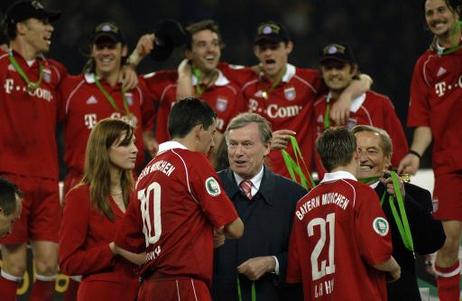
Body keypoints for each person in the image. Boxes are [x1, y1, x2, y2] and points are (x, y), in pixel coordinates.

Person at [114, 97, 244, 301]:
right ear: (199, 130)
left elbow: (125, 243)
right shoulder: (193, 162)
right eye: (212, 134)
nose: (212, 143)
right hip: (183, 285)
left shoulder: (145, 174)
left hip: (148, 289)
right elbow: (235, 228)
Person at [218, 21, 372, 181]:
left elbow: (363, 79)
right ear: (256, 52)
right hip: (255, 180)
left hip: (296, 182)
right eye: (263, 49)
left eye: (274, 47)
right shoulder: (247, 78)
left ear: (288, 47)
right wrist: (187, 70)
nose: (268, 53)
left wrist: (347, 95)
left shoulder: (307, 81)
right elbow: (211, 68)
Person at [287, 127, 401, 301]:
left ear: (322, 158)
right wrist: (394, 269)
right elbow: (377, 255)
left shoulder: (303, 203)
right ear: (355, 154)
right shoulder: (360, 194)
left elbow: (295, 270)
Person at [0, 1, 65, 300]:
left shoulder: (55, 73)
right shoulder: (0, 63)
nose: (50, 28)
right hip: (9, 178)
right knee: (13, 263)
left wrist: (130, 65)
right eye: (42, 21)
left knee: (50, 264)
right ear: (21, 27)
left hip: (48, 180)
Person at [397, 0, 462, 300]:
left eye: (441, 10)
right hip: (450, 165)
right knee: (447, 243)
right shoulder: (425, 65)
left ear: (456, 12)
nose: (436, 17)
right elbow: (424, 122)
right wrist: (415, 153)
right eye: (430, 12)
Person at [212, 112, 306, 301]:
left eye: (247, 144)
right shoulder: (209, 188)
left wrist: (273, 262)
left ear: (267, 147)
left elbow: (306, 256)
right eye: (233, 144)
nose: (238, 152)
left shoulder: (294, 196)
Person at [129, 19, 245, 165]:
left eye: (215, 44)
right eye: (202, 45)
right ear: (189, 53)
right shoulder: (168, 84)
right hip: (169, 177)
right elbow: (126, 84)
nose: (211, 49)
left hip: (210, 179)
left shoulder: (232, 92)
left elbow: (233, 144)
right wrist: (137, 55)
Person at [59, 21, 155, 194]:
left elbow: (148, 126)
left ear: (123, 50)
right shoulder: (71, 88)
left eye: (111, 46)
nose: (105, 52)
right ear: (92, 50)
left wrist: (133, 62)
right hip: (83, 185)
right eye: (100, 47)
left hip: (127, 186)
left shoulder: (138, 89)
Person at [353, 125, 445, 301]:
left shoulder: (415, 195)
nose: (363, 158)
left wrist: (403, 200)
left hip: (396, 293)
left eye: (372, 151)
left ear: (387, 159)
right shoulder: (333, 196)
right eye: (357, 151)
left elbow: (431, 242)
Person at [59, 118, 143, 301]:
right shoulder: (80, 197)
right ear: (103, 150)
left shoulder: (137, 194)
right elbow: (68, 262)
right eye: (125, 144)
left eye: (134, 143)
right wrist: (113, 249)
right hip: (101, 293)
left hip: (138, 292)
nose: (135, 150)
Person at [314, 43, 408, 175]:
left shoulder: (379, 103)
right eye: (328, 68)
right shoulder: (317, 105)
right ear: (322, 72)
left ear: (353, 70)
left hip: (371, 188)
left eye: (340, 67)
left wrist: (400, 184)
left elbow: (399, 151)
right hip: (331, 189)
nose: (334, 73)